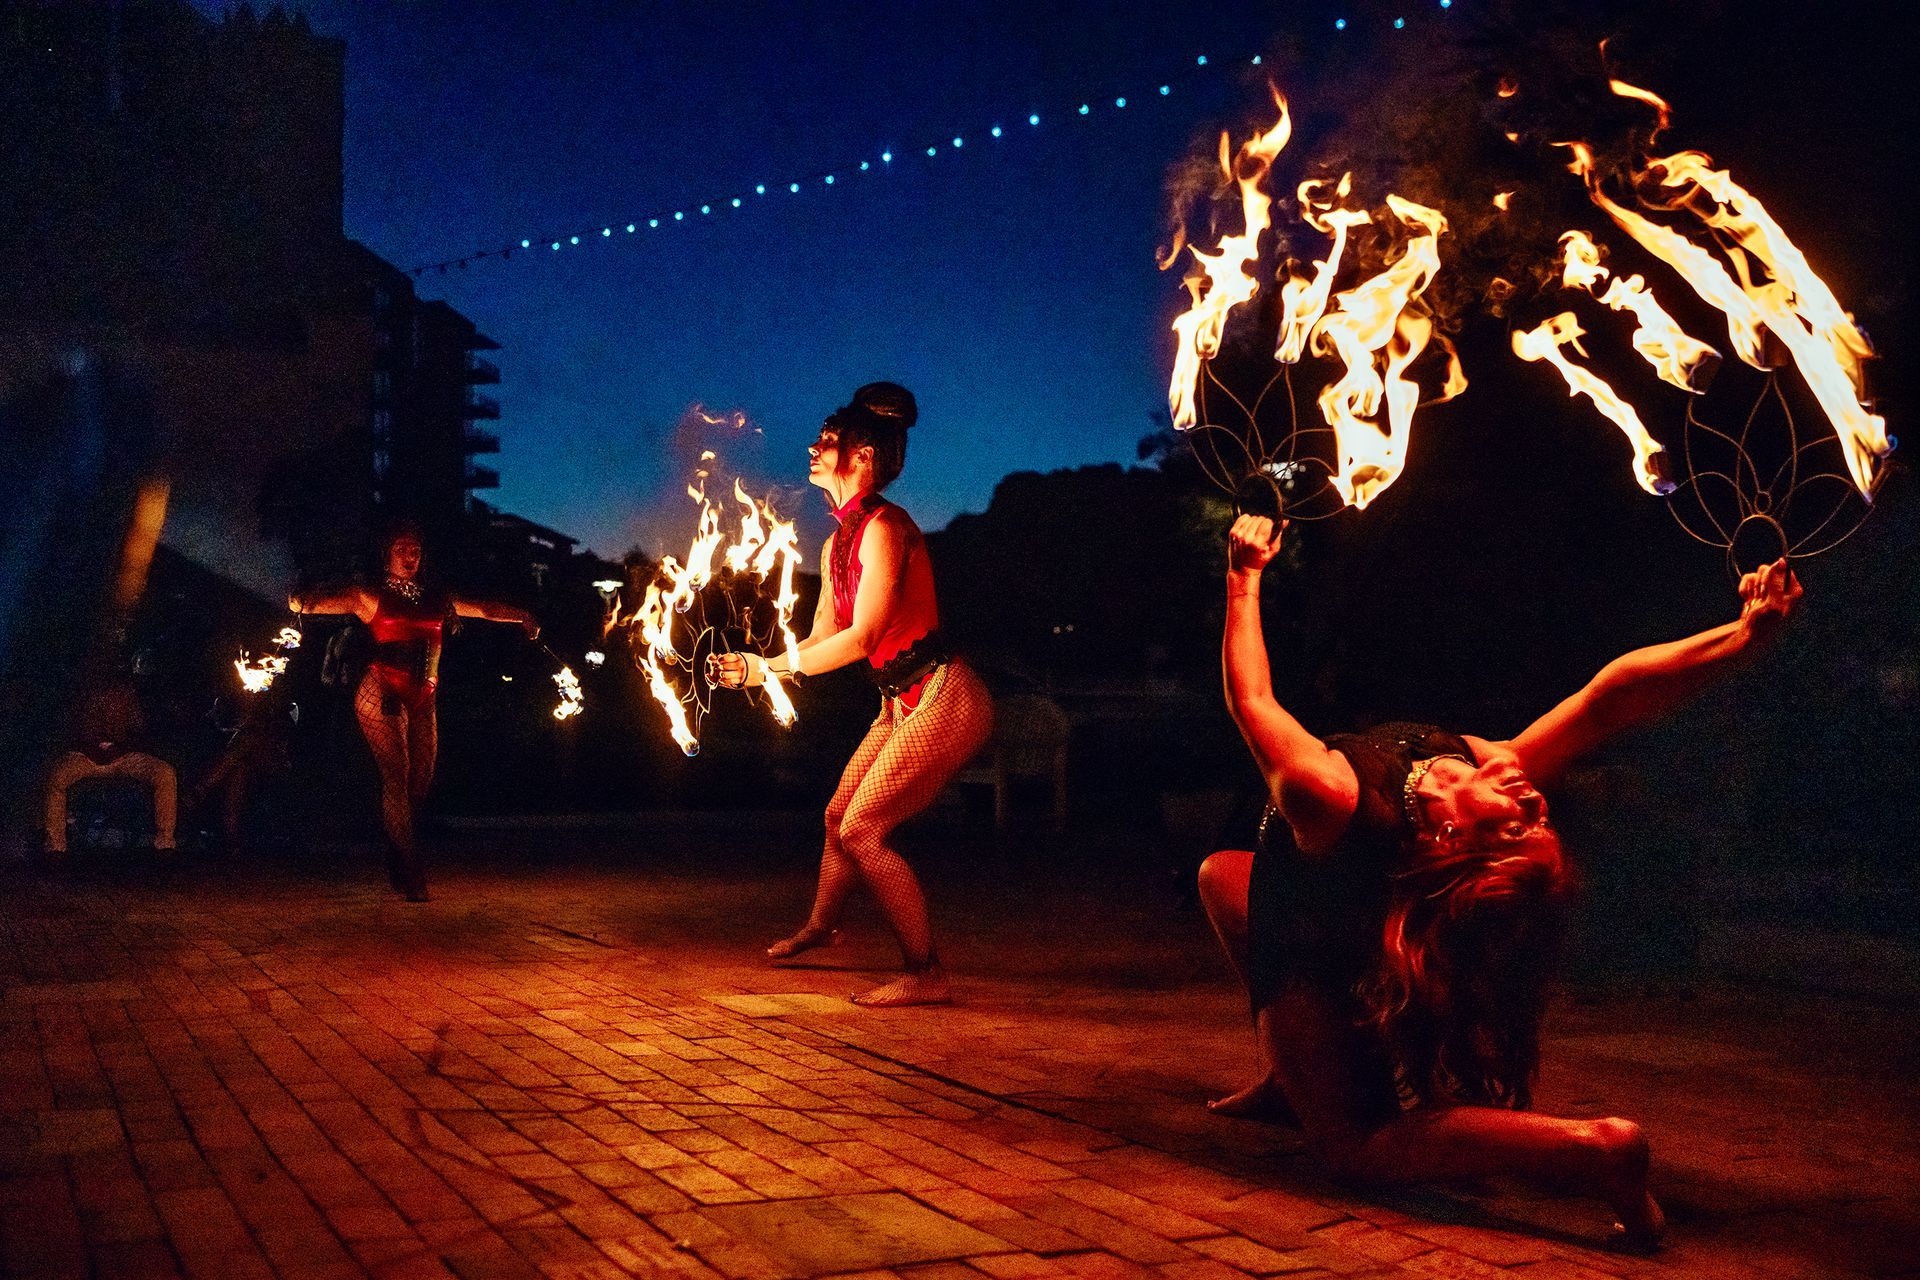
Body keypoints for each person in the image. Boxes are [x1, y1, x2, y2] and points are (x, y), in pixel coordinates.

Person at [1198, 513, 1803, 1247]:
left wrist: (1243, 578)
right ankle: (1284, 1077)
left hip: (1319, 943)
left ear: (1451, 836)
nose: (1534, 801)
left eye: (1517, 825)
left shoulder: (1327, 794)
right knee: (1225, 875)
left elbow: (1253, 702)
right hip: (1325, 904)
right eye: (1537, 820)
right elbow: (1607, 701)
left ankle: (1598, 1148)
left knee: (1353, 1149)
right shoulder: (1489, 770)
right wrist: (1743, 637)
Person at [709, 382, 993, 1007]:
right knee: (839, 816)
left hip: (946, 695)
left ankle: (926, 972)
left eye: (829, 441)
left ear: (862, 457)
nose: (813, 447)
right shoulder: (836, 541)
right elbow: (823, 637)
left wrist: (770, 668)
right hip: (902, 702)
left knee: (865, 830)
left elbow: (864, 638)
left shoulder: (886, 527)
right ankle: (820, 926)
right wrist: (762, 666)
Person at [290, 526, 538, 901]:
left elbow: (484, 608)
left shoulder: (437, 598)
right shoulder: (368, 596)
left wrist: (522, 616)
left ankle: (396, 844)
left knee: (419, 782)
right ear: (386, 554)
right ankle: (410, 866)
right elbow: (311, 604)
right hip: (381, 688)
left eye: (416, 550)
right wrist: (299, 600)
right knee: (397, 774)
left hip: (425, 695)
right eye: (402, 549)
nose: (410, 556)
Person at [42, 677, 177, 860]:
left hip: (123, 756)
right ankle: (55, 846)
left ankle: (165, 843)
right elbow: (76, 729)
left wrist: (126, 717)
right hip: (85, 756)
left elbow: (138, 728)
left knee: (165, 773)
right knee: (57, 777)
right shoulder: (83, 693)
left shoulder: (127, 694)